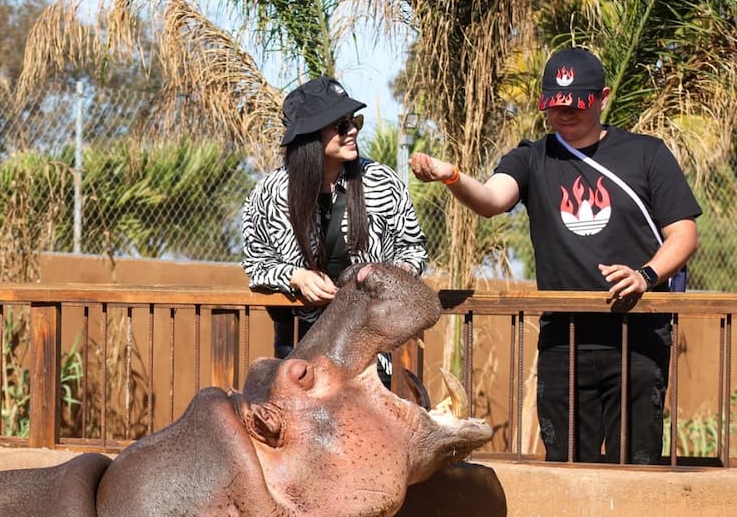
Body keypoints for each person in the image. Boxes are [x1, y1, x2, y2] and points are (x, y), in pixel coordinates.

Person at [409, 47, 701, 464]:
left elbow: (684, 235)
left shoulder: (647, 154)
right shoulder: (532, 158)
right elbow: (492, 199)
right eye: (555, 105)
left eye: (576, 104)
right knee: (567, 462)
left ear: (603, 97)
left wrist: (645, 274)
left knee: (638, 463)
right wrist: (451, 175)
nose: (565, 113)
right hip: (564, 339)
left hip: (637, 336)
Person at [242, 75, 429, 376]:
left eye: (354, 121)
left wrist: (388, 275)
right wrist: (296, 277)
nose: (353, 130)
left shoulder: (381, 182)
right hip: (298, 352)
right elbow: (256, 263)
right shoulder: (271, 192)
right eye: (341, 126)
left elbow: (413, 250)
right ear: (310, 136)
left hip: (368, 348)